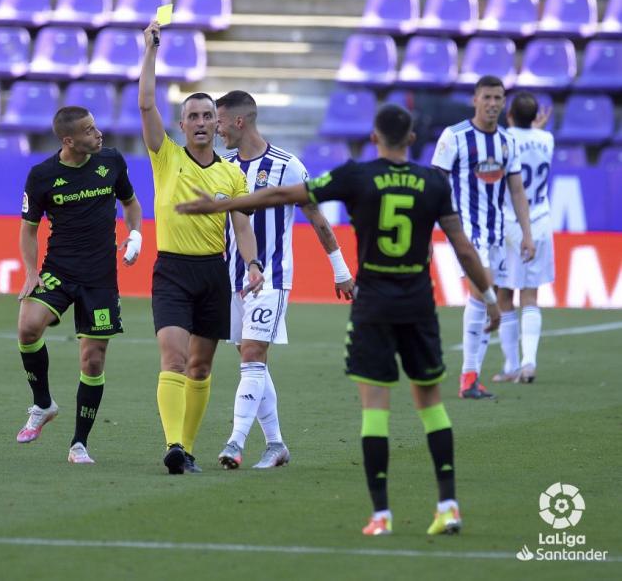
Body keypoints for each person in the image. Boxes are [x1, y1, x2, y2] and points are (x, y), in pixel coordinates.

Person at [176, 104, 501, 537]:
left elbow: (283, 196)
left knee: (375, 410)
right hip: (418, 306)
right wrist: (491, 299)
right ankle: (448, 505)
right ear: (410, 140)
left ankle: (381, 515)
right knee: (432, 406)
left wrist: (225, 203)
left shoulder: (355, 176)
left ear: (373, 137)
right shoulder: (432, 182)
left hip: (372, 309)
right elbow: (461, 246)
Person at [139, 21, 263, 475]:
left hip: (214, 273)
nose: (199, 123)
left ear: (217, 123)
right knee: (172, 357)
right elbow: (146, 102)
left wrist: (252, 263)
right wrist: (150, 52)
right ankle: (173, 444)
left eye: (206, 116)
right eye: (191, 116)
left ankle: (186, 449)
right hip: (171, 271)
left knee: (200, 366)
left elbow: (242, 224)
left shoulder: (232, 175)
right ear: (182, 124)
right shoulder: (165, 156)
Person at [212, 90, 354, 470]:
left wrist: (340, 269)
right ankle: (276, 444)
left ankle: (234, 442)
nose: (216, 130)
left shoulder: (287, 166)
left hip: (272, 278)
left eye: (220, 122)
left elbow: (317, 218)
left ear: (239, 122)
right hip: (232, 280)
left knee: (254, 356)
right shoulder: (223, 166)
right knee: (249, 359)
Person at [16, 106, 143, 464]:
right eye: (88, 130)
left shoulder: (112, 161)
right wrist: (30, 271)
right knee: (27, 326)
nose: (98, 133)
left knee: (92, 360)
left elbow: (131, 204)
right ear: (68, 140)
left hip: (100, 277)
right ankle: (43, 404)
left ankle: (79, 444)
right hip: (58, 269)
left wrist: (136, 235)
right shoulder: (42, 175)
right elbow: (28, 228)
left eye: (95, 125)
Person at [431, 75, 535, 400]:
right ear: (475, 99)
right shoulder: (454, 137)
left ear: (504, 102)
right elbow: (435, 183)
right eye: (487, 97)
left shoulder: (507, 141)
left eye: (498, 98)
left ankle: (472, 376)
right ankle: (468, 377)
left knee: (487, 300)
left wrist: (526, 234)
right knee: (482, 295)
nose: (493, 104)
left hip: (498, 234)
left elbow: (516, 189)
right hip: (467, 233)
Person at [491, 92, 555, 384]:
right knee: (531, 295)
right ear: (535, 117)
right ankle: (529, 363)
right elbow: (532, 139)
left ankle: (511, 365)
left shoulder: (503, 139)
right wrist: (537, 127)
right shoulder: (547, 140)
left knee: (505, 294)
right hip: (540, 222)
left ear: (509, 115)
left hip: (509, 222)